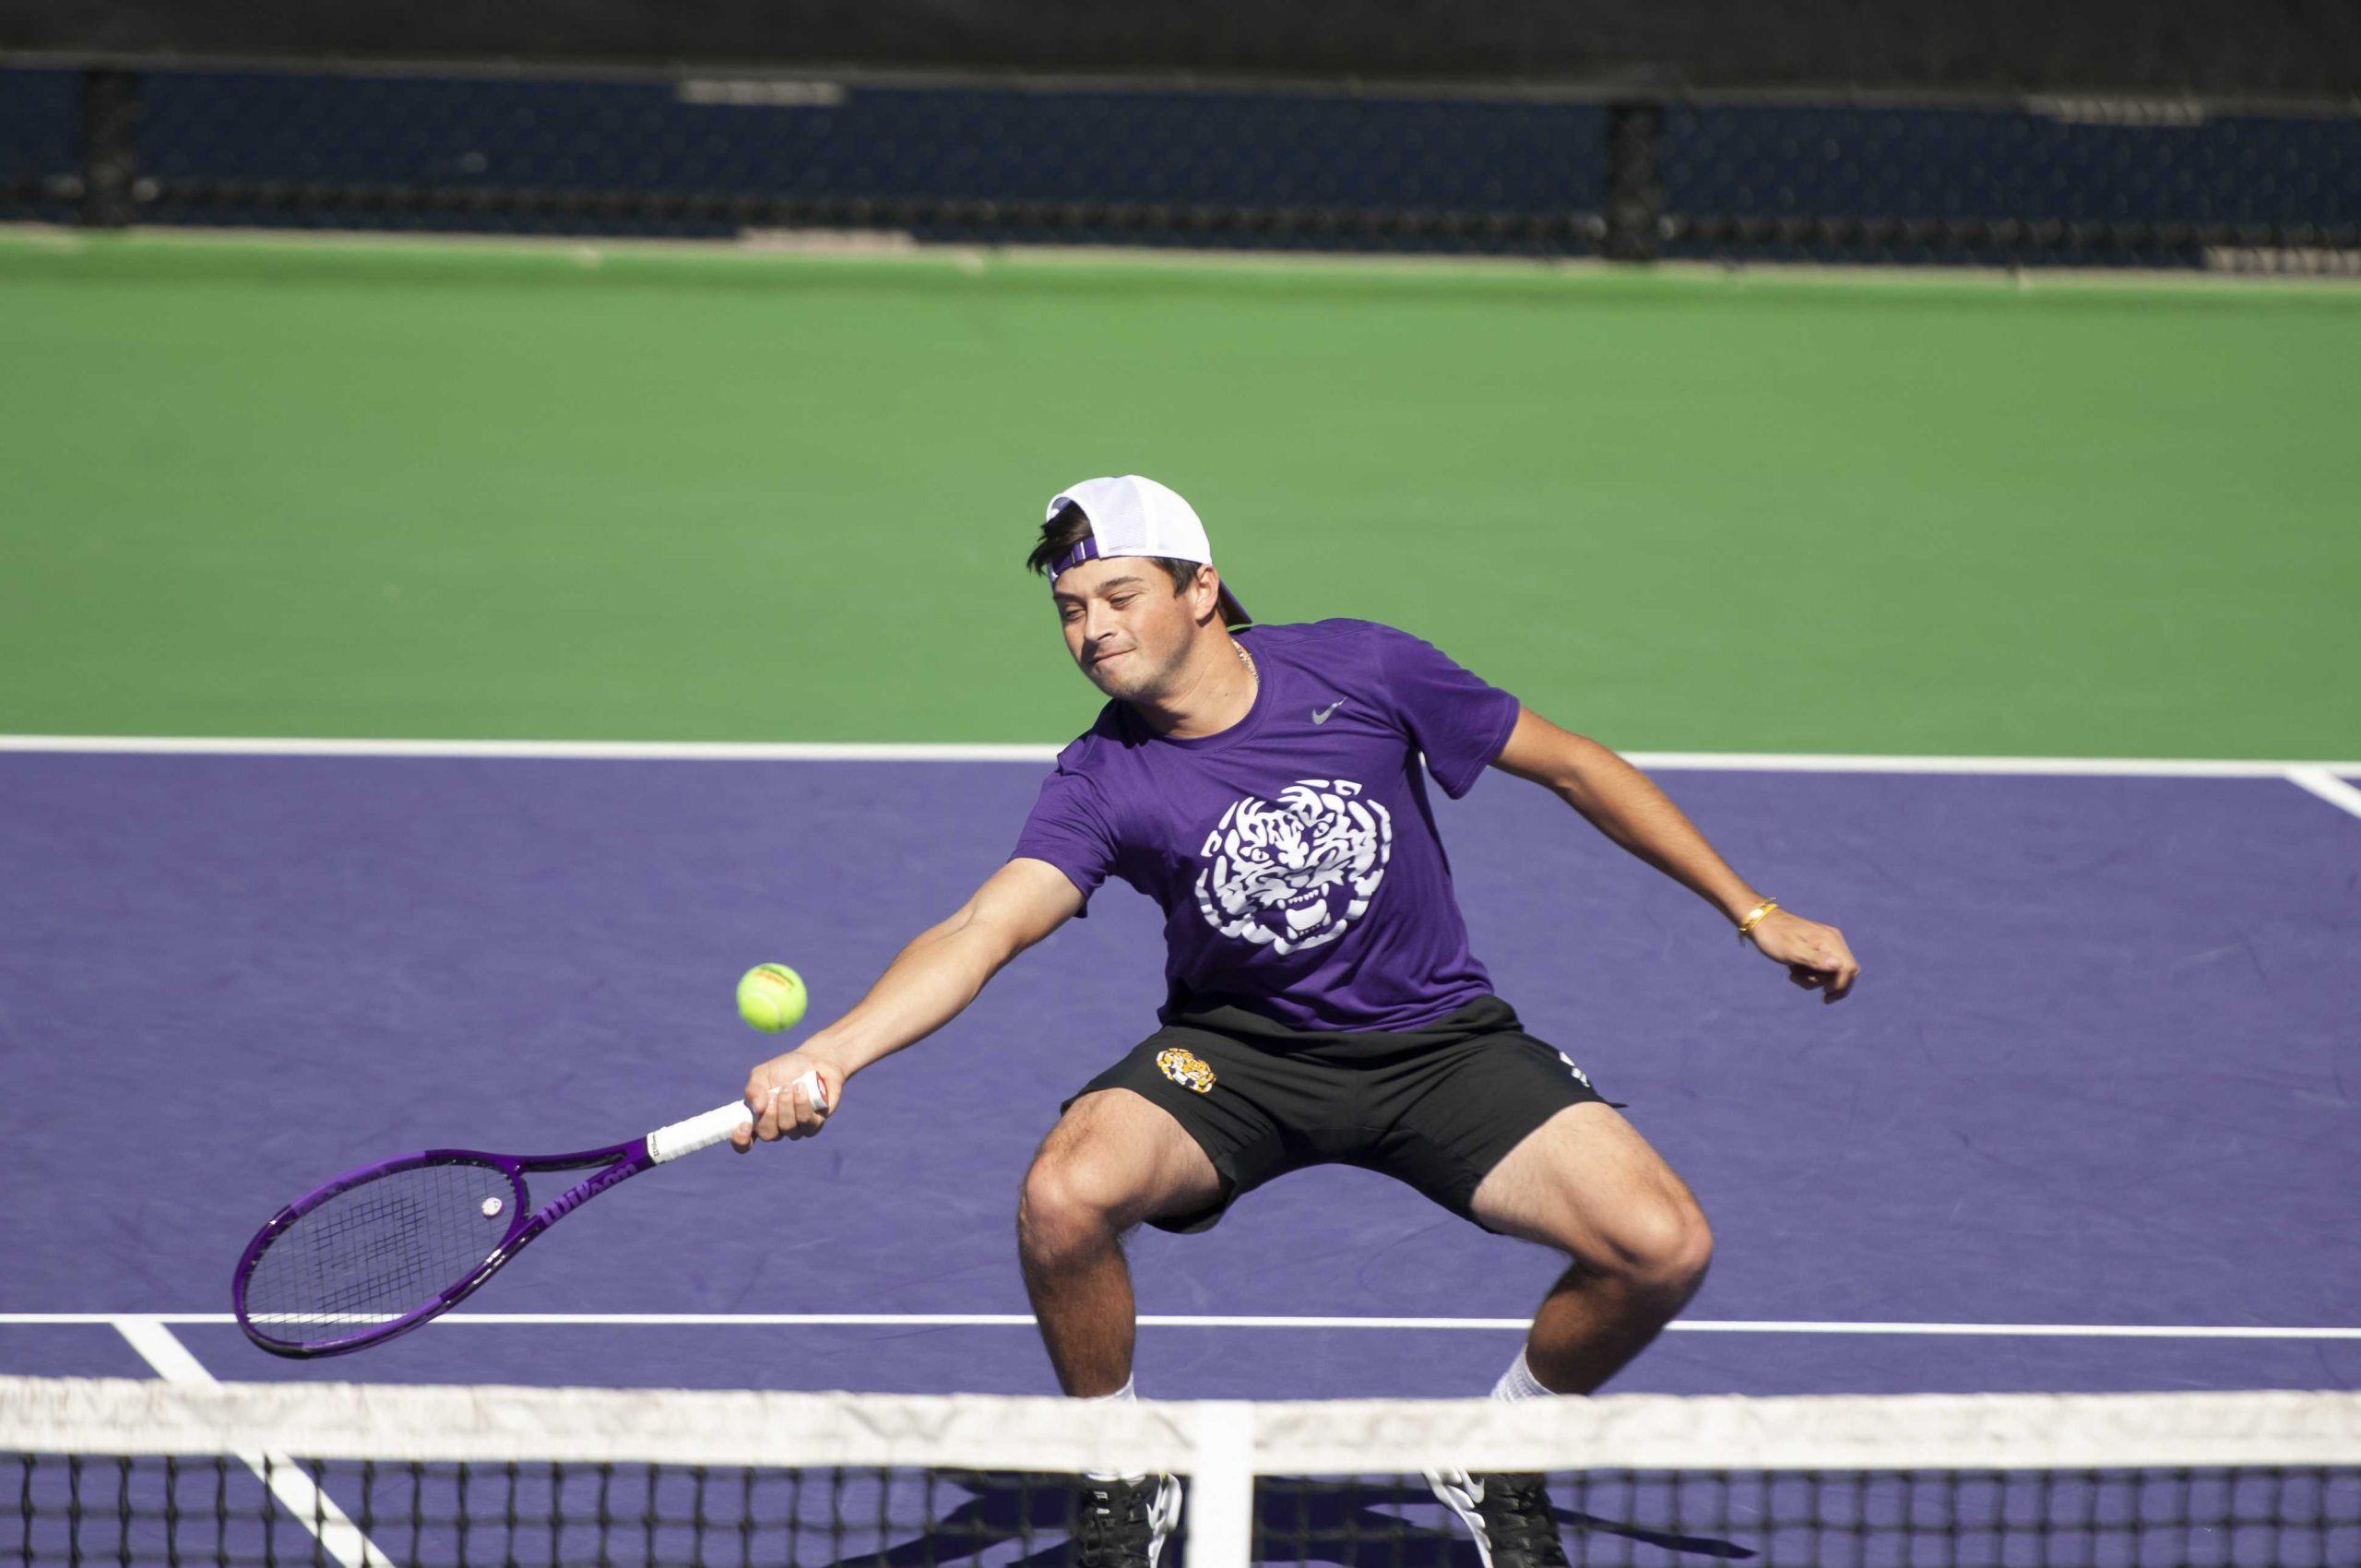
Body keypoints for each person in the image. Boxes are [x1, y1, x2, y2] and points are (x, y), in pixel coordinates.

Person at [734, 475, 1860, 1568]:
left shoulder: (1361, 667)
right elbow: (983, 924)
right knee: (1063, 1190)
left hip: (1439, 1045)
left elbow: (1569, 765)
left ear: (1201, 587)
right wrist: (833, 1048)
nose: (1091, 629)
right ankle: (1118, 1466)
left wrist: (1751, 909)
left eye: (1120, 596)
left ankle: (1502, 1454)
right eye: (1071, 609)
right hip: (1238, 1060)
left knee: (1661, 1246)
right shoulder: (1101, 776)